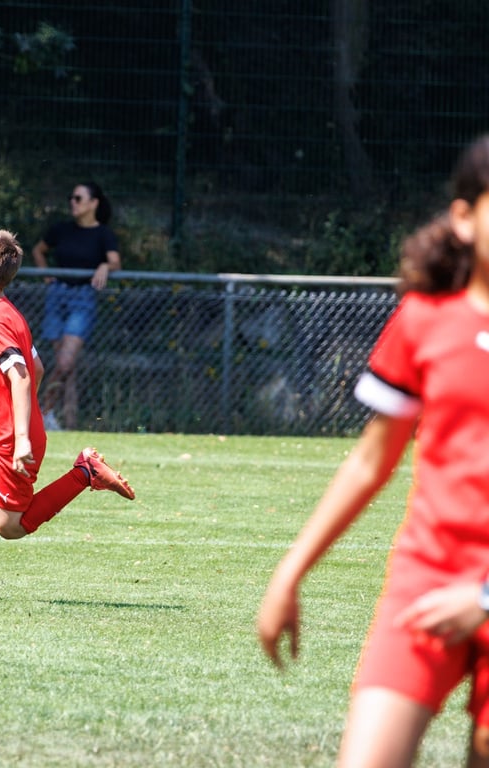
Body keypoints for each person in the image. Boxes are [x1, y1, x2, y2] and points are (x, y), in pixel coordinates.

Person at [257, 133, 489, 768]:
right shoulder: (423, 319)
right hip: (426, 583)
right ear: (464, 217)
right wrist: (290, 573)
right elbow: (370, 462)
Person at [0, 228, 135, 599]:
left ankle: (84, 472)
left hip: (7, 437)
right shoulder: (5, 312)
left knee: (10, 527)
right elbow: (37, 368)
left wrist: (21, 437)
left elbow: (20, 375)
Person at [31, 182, 120, 431]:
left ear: (94, 203)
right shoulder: (61, 229)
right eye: (71, 197)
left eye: (79, 198)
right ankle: (68, 422)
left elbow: (115, 262)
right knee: (67, 368)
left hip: (82, 299)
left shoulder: (103, 234)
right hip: (57, 296)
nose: (73, 202)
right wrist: (46, 275)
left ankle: (42, 411)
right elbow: (38, 250)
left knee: (65, 362)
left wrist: (104, 266)